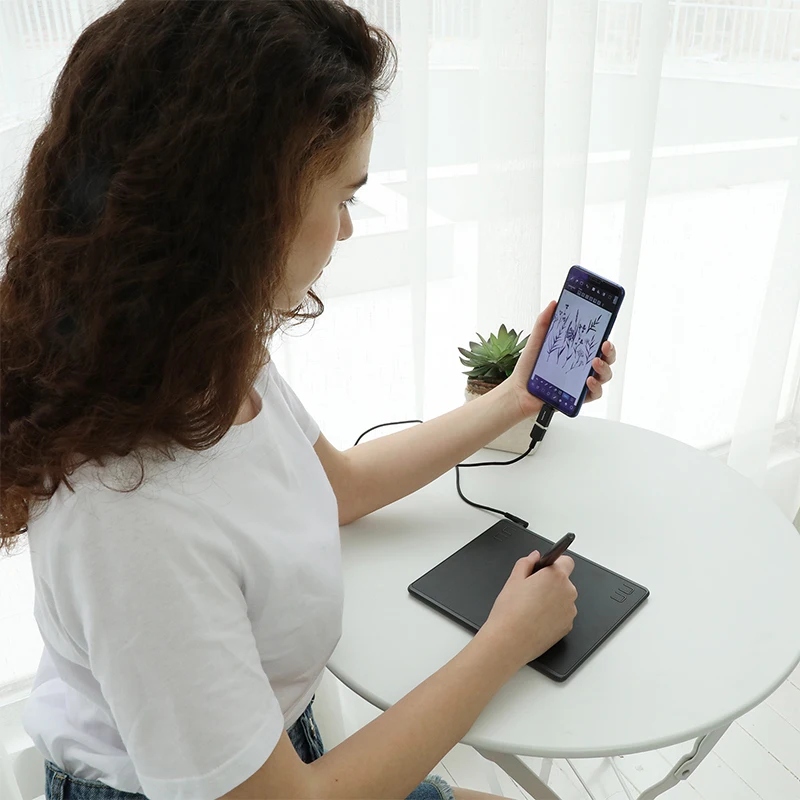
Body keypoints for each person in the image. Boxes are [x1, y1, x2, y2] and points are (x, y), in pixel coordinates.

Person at [0, 2, 616, 799]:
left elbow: (339, 487)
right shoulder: (129, 515)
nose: (347, 230)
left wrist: (513, 398)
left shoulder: (192, 354)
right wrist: (504, 642)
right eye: (344, 196)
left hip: (273, 752)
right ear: (236, 212)